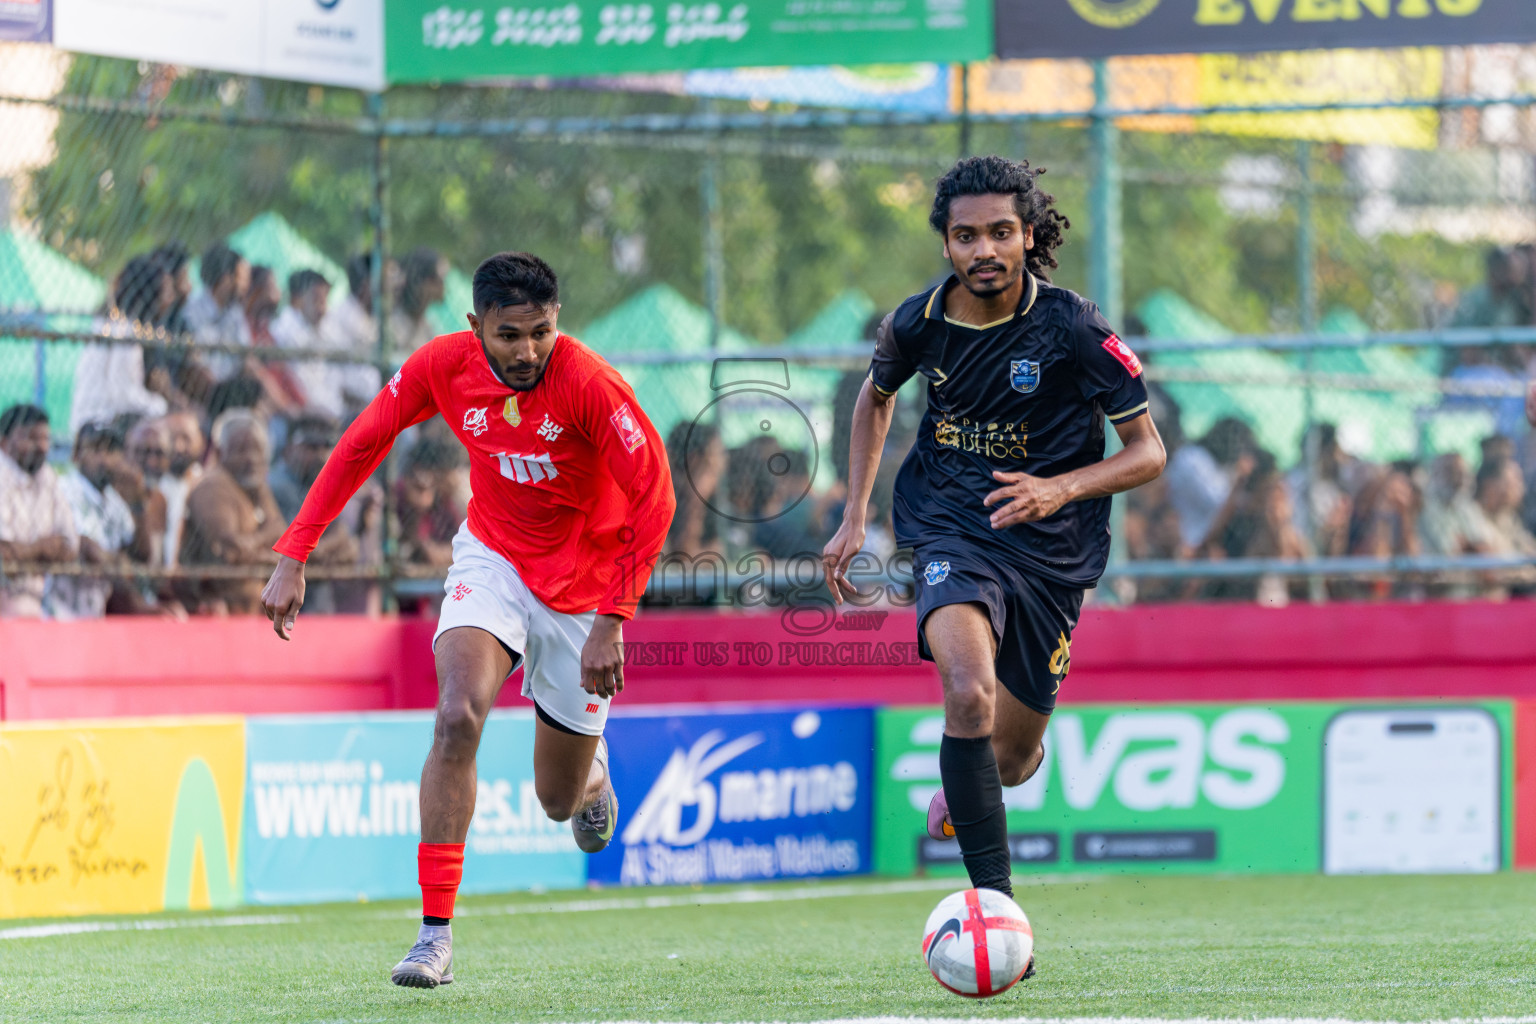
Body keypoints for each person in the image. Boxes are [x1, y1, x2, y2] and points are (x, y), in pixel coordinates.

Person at [259, 252, 675, 989]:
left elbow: (656, 494)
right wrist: (296, 551)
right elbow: (364, 439)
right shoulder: (441, 365)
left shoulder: (590, 383)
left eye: (541, 332)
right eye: (509, 335)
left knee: (557, 801)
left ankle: (593, 775)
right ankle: (434, 937)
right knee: (456, 718)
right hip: (494, 559)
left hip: (583, 588)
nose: (527, 351)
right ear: (474, 325)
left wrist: (614, 618)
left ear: (557, 321)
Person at [821, 156, 1164, 968]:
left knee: (1008, 759)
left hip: (1052, 553)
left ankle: (970, 782)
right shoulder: (916, 323)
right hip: (952, 527)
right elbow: (876, 397)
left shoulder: (1075, 328)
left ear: (1029, 236)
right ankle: (998, 910)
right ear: (946, 242)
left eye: (1001, 232)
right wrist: (854, 514)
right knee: (967, 691)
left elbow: (1148, 452)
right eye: (966, 235)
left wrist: (1059, 488)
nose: (984, 250)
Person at [179, 409, 287, 615]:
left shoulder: (255, 484)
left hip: (255, 607)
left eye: (257, 450)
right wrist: (269, 552)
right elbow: (230, 550)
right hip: (219, 606)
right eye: (241, 450)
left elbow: (281, 533)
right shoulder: (213, 487)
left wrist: (253, 546)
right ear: (220, 453)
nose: (251, 458)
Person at [49, 422, 140, 619]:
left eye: (111, 450)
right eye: (96, 449)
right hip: (57, 611)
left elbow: (134, 552)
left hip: (95, 612)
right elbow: (83, 545)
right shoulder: (63, 489)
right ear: (77, 454)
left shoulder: (116, 503)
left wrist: (138, 499)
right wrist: (113, 561)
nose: (104, 459)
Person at [0, 404, 79, 618]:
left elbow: (70, 546)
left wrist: (25, 553)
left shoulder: (47, 476)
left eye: (45, 438)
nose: (42, 446)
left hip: (40, 600)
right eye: (31, 438)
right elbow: (4, 556)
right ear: (4, 442)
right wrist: (42, 548)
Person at [160, 411, 206, 568]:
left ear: (201, 442)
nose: (178, 447)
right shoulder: (151, 483)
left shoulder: (206, 485)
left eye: (186, 438)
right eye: (171, 438)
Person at [388, 247, 447, 360]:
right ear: (425, 282)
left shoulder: (426, 323)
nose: (444, 287)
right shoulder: (395, 321)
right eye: (440, 280)